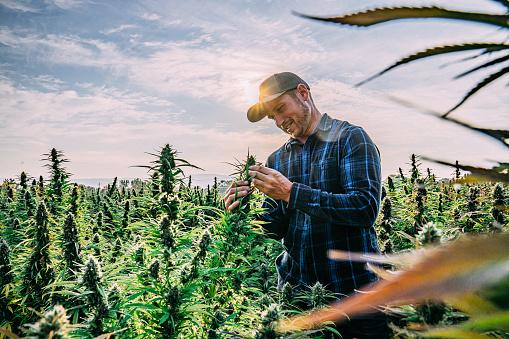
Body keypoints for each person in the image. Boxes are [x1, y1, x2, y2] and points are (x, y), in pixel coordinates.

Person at [223, 72, 389, 338]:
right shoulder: (277, 159)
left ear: (303, 93)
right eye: (271, 117)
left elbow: (364, 208)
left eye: (280, 109)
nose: (279, 121)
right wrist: (242, 210)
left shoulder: (350, 139)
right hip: (298, 297)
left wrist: (291, 193)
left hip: (354, 296)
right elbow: (274, 227)